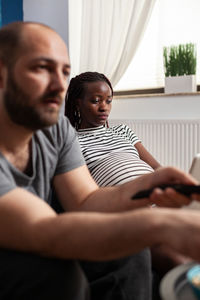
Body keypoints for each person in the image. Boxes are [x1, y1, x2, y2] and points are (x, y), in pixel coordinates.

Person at [1, 21, 200, 300]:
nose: (59, 85)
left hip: (38, 229)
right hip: (19, 240)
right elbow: (41, 230)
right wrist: (162, 225)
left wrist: (151, 181)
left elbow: (85, 200)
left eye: (64, 71)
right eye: (41, 69)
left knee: (129, 250)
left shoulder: (57, 129)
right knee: (58, 277)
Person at [64, 71, 186, 299]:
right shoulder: (71, 141)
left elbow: (157, 168)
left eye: (108, 100)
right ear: (77, 104)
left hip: (157, 196)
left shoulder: (123, 131)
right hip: (123, 203)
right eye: (95, 100)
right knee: (168, 250)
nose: (104, 107)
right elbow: (81, 189)